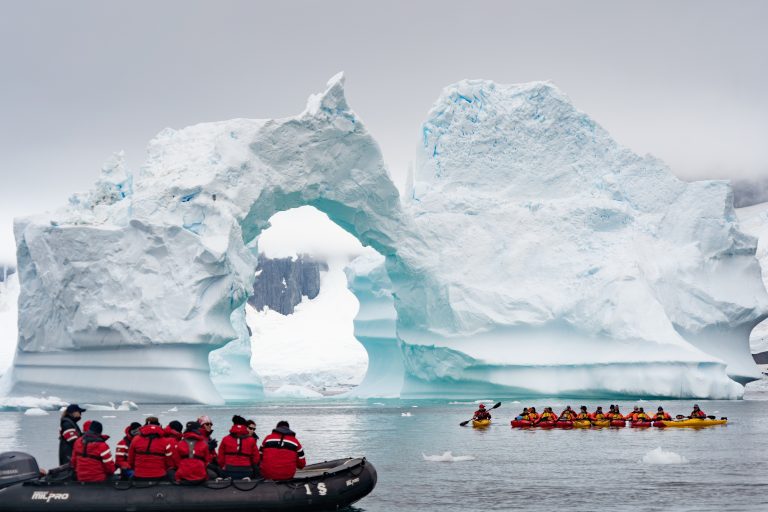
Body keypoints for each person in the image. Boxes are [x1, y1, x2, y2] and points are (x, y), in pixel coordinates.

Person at [218, 415, 260, 479]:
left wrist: (224, 466)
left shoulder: (225, 439)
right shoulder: (251, 440)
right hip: (246, 472)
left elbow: (220, 458)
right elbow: (256, 458)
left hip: (228, 471)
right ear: (245, 426)